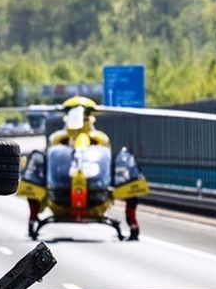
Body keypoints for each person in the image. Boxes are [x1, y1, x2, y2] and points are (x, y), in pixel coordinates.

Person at [30, 96, 142, 240]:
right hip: (60, 195)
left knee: (132, 192)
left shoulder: (100, 141)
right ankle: (32, 220)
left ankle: (133, 225)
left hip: (95, 194)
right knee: (32, 188)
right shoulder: (58, 141)